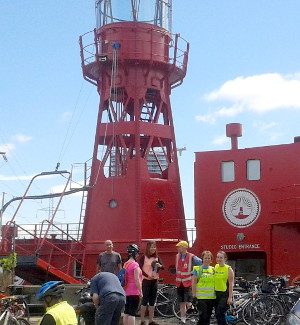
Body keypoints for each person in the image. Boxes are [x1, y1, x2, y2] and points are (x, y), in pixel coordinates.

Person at [175, 240, 202, 324]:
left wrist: (196, 274)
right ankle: (183, 318)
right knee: (181, 301)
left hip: (188, 282)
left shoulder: (191, 256)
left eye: (179, 246)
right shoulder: (177, 256)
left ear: (184, 247)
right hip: (179, 283)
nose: (178, 248)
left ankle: (193, 316)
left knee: (189, 301)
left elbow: (201, 262)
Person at [139, 240, 164, 325]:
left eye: (154, 247)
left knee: (153, 301)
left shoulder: (156, 257)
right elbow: (140, 269)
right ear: (148, 248)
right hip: (146, 281)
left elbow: (162, 267)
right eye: (151, 247)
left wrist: (160, 266)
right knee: (145, 300)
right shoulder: (143, 257)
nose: (153, 248)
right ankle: (142, 320)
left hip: (154, 281)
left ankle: (151, 320)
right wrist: (147, 276)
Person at [191, 251, 216, 325]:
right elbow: (194, 283)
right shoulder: (197, 269)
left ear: (211, 260)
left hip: (211, 297)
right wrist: (194, 295)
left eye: (209, 258)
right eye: (205, 258)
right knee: (203, 317)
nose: (207, 259)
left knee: (208, 317)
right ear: (202, 259)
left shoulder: (213, 269)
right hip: (201, 297)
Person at [123, 244, 143, 325]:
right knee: (132, 313)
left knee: (126, 312)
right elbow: (137, 279)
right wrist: (140, 291)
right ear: (135, 253)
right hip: (134, 291)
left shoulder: (125, 264)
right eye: (137, 253)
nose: (138, 255)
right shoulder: (135, 265)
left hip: (126, 291)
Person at [214, 251, 234, 325]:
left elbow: (231, 284)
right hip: (216, 293)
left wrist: (230, 297)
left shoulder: (228, 269)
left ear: (225, 259)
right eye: (218, 257)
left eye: (221, 257)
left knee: (220, 313)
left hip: (224, 294)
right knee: (217, 314)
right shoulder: (215, 267)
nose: (219, 259)